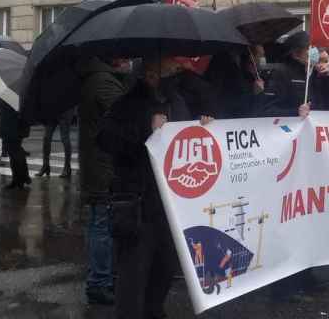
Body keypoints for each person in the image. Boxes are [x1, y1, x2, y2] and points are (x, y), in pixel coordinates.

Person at [98, 55, 216, 318]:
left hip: (171, 204)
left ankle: (154, 311)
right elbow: (105, 139)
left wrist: (202, 129)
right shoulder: (128, 103)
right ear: (150, 73)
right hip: (138, 202)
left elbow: (185, 139)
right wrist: (146, 130)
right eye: (170, 70)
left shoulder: (176, 100)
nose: (176, 75)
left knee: (164, 269)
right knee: (134, 275)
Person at [77, 56, 129, 306]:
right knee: (102, 225)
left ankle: (99, 278)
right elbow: (123, 116)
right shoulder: (103, 82)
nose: (128, 60)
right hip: (103, 166)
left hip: (98, 164)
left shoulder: (96, 78)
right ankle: (99, 283)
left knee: (100, 223)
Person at [262, 31, 329, 118]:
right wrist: (296, 112)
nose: (314, 51)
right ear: (296, 54)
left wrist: (327, 78)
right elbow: (267, 110)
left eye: (315, 47)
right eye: (309, 48)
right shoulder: (281, 73)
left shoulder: (316, 72)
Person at [0, 100, 31, 190]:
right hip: (13, 125)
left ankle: (21, 178)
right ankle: (18, 178)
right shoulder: (22, 93)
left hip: (13, 125)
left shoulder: (18, 96)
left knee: (15, 151)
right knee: (14, 152)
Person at [37, 106, 74, 178]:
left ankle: (67, 167)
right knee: (46, 137)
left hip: (65, 109)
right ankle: (45, 165)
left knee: (64, 138)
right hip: (53, 109)